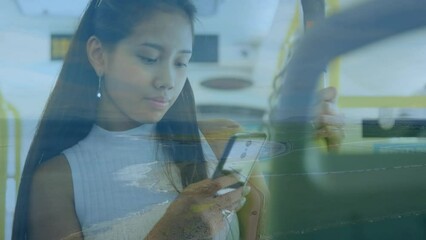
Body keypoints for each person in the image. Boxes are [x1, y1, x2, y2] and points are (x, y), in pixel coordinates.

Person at [12, 0, 345, 239]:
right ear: (99, 55)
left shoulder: (223, 141)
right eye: (149, 57)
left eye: (181, 62)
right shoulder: (57, 179)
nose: (167, 80)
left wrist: (318, 145)